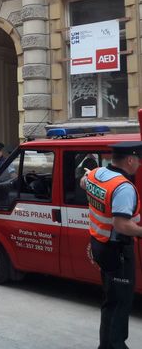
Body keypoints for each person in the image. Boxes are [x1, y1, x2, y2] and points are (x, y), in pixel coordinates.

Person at [82, 141, 142, 349]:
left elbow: (83, 181)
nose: (139, 165)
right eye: (139, 160)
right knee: (121, 303)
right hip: (117, 250)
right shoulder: (123, 188)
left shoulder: (96, 173)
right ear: (130, 160)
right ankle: (116, 345)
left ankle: (105, 346)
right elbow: (121, 224)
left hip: (99, 244)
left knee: (110, 299)